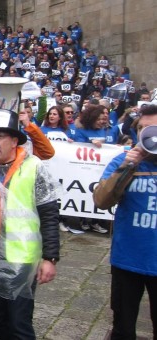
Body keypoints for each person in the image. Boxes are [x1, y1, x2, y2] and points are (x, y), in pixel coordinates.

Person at [0, 109, 60, 339]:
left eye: (0, 136)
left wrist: (50, 257)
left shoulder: (35, 167)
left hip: (22, 260)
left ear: (15, 140)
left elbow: (49, 215)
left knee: (19, 324)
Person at [93, 104, 157, 340]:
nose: (146, 134)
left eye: (153, 129)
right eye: (142, 129)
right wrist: (126, 167)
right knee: (123, 327)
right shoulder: (122, 161)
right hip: (128, 259)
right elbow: (101, 200)